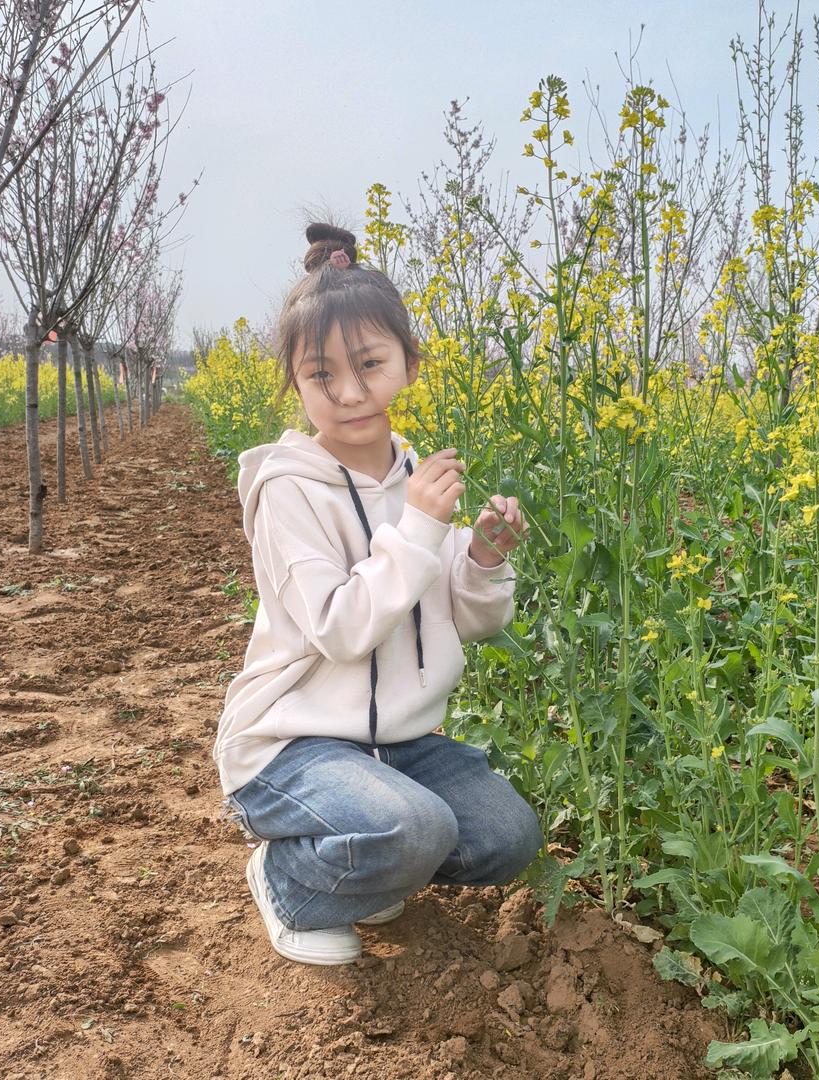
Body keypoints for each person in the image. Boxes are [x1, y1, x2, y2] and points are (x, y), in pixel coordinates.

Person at [212, 223, 543, 966]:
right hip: (292, 745)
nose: (350, 393)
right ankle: (290, 881)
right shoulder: (287, 491)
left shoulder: (413, 476)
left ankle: (371, 861)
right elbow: (340, 629)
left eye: (370, 364)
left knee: (507, 838)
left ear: (408, 364)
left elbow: (466, 621)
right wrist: (422, 528)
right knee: (415, 828)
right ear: (295, 384)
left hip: (399, 745)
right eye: (321, 375)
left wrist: (482, 560)